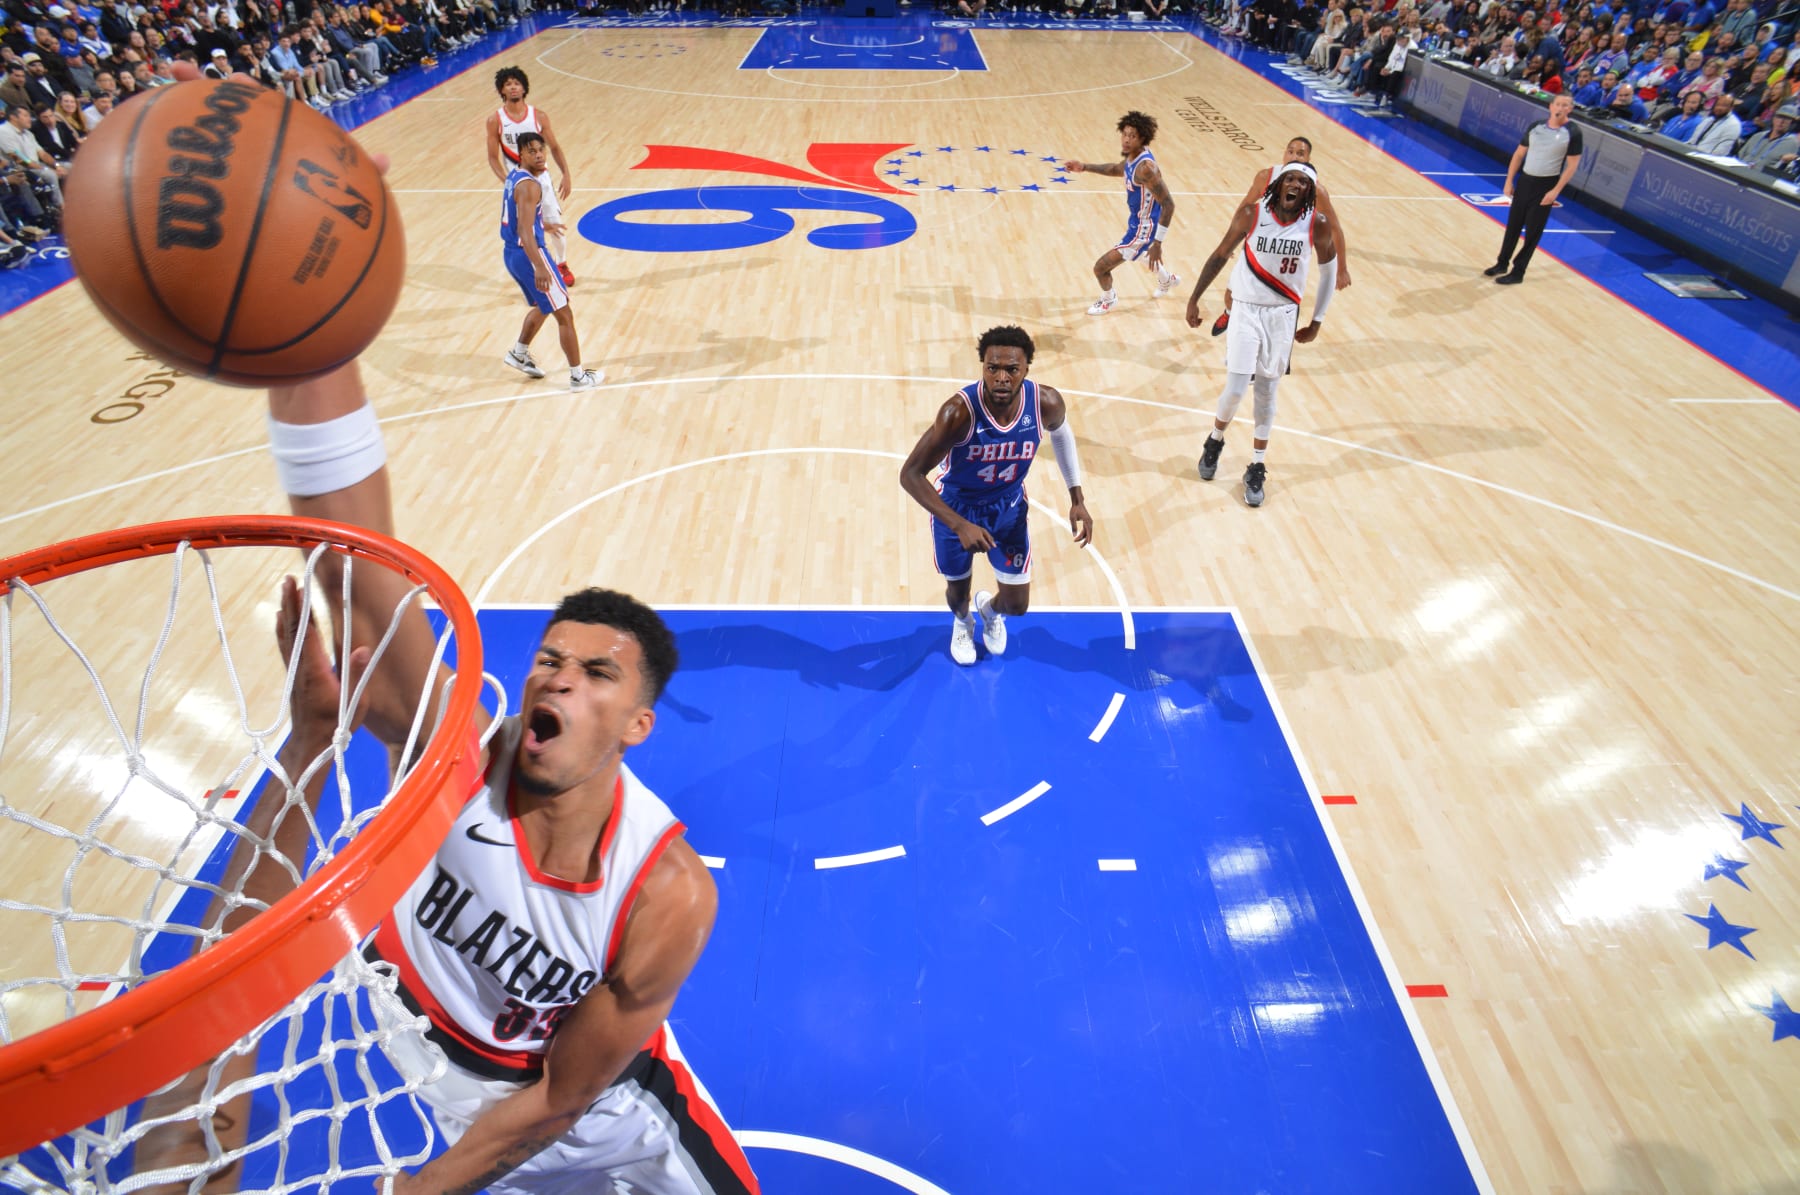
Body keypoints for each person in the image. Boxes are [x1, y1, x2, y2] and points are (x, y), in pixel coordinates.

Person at [898, 326, 1094, 666]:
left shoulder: (1045, 402)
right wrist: (959, 525)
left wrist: (1077, 497)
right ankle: (963, 621)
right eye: (993, 368)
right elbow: (910, 474)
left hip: (1008, 508)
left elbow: (1062, 435)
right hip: (957, 508)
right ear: (983, 367)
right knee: (957, 595)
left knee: (1017, 605)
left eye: (1011, 370)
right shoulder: (958, 413)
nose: (1001, 377)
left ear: (1026, 370)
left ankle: (989, 610)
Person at [1183, 162, 1339, 508]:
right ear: (1279, 184)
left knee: (1267, 392)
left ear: (1309, 191)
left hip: (1282, 315)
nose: (1295, 184)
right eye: (1290, 178)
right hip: (1245, 309)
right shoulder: (1252, 214)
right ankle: (1215, 439)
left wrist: (1318, 320)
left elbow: (1329, 272)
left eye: (1302, 181)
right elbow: (1221, 254)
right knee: (1236, 387)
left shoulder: (1317, 224)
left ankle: (1256, 464)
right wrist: (1194, 298)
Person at [1211, 136, 1352, 337]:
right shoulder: (1265, 176)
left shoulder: (1315, 190)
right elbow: (1245, 206)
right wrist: (1232, 241)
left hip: (1287, 254)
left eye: (1300, 153)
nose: (1294, 156)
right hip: (1258, 246)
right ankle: (1229, 313)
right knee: (1230, 295)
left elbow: (1335, 228)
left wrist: (1342, 268)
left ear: (1309, 159)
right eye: (1290, 151)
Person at [502, 130, 601, 388]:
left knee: (545, 305)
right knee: (564, 313)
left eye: (540, 150)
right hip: (529, 253)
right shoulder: (530, 185)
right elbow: (524, 231)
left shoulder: (514, 177)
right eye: (531, 151)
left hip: (512, 253)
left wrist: (541, 224)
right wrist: (539, 266)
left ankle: (519, 352)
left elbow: (518, 219)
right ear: (520, 154)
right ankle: (578, 377)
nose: (538, 155)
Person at [1060, 110, 1180, 315]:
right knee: (1141, 254)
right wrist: (1085, 167)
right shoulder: (1134, 158)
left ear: (1142, 138)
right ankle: (1166, 280)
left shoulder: (1146, 169)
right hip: (1136, 222)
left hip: (1144, 228)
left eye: (1132, 136)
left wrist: (1158, 243)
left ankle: (1109, 299)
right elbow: (1116, 169)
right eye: (1124, 134)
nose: (1126, 139)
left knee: (1100, 268)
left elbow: (1168, 204)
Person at [487, 66, 576, 287]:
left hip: (542, 178)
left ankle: (561, 264)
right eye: (508, 84)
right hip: (517, 182)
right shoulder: (495, 120)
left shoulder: (539, 116)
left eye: (517, 83)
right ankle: (532, 269)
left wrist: (566, 173)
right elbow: (492, 157)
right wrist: (508, 181)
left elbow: (554, 147)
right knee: (524, 229)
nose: (513, 87)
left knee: (555, 224)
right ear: (502, 90)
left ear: (524, 87)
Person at [1484, 93, 1582, 284]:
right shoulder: (1536, 127)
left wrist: (1555, 191)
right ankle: (1501, 263)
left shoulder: (1573, 132)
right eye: (1558, 104)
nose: (1560, 108)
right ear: (1551, 107)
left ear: (1570, 109)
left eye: (1565, 105)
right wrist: (1509, 180)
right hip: (1525, 181)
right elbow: (1519, 154)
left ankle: (1518, 271)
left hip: (1546, 184)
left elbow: (1572, 166)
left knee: (1533, 231)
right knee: (1513, 225)